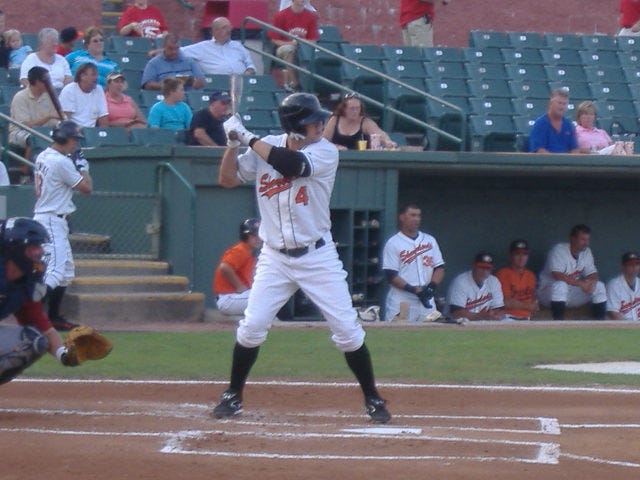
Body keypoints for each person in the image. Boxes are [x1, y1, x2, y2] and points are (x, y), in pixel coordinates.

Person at [213, 92, 391, 423]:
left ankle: (373, 398)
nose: (321, 123)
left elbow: (291, 166)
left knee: (347, 331)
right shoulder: (265, 144)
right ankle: (232, 394)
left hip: (317, 257)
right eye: (313, 119)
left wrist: (247, 137)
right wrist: (232, 144)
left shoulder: (324, 151)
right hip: (275, 258)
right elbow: (226, 179)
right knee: (251, 327)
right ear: (296, 124)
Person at [0, 217, 79, 385]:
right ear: (14, 248)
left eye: (39, 246)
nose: (38, 252)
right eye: (32, 247)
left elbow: (42, 326)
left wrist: (65, 354)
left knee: (35, 340)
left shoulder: (26, 281)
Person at [33, 121, 93, 331]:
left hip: (52, 217)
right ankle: (30, 311)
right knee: (56, 272)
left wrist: (73, 161)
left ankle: (54, 317)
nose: (76, 144)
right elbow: (87, 188)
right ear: (62, 138)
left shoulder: (43, 155)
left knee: (66, 271)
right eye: (74, 139)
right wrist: (83, 167)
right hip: (51, 218)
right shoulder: (61, 162)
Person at [382, 203, 445, 322]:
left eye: (418, 216)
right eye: (412, 215)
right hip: (403, 300)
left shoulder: (429, 240)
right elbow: (391, 275)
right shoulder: (394, 243)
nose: (416, 219)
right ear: (402, 217)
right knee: (399, 334)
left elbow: (439, 267)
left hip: (426, 300)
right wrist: (414, 290)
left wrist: (431, 287)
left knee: (431, 334)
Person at [537, 224, 607, 320]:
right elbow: (557, 275)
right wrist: (581, 284)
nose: (586, 243)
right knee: (560, 285)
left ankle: (600, 324)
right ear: (572, 239)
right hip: (548, 293)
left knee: (599, 286)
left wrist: (592, 282)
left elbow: (592, 273)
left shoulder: (586, 252)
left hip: (571, 293)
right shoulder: (558, 250)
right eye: (582, 239)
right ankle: (558, 323)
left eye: (587, 239)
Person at [9, 67, 61, 162]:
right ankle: (26, 171)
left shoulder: (50, 96)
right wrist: (48, 116)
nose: (50, 83)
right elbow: (24, 125)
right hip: (19, 132)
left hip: (45, 130)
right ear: (37, 82)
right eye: (47, 80)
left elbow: (56, 120)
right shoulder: (20, 97)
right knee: (34, 138)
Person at [213, 218, 261, 315]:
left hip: (236, 298)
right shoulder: (241, 250)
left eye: (259, 236)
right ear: (245, 236)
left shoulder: (248, 253)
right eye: (253, 236)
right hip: (229, 299)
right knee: (267, 298)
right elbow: (225, 267)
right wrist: (239, 286)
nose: (258, 239)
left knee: (269, 298)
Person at [268, 0, 319, 92]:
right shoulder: (281, 15)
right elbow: (275, 40)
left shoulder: (310, 16)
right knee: (289, 50)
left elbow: (313, 40)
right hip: (283, 48)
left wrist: (302, 42)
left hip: (303, 48)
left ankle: (313, 85)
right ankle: (295, 84)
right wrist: (291, 44)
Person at [181, 17, 256, 76]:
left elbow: (250, 65)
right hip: (217, 85)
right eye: (224, 28)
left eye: (229, 27)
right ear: (214, 31)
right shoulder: (203, 47)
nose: (228, 30)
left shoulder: (237, 46)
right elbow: (178, 51)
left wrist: (248, 73)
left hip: (242, 84)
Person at [323, 93, 397, 150]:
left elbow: (379, 133)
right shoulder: (335, 120)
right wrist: (334, 147)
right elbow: (323, 141)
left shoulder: (365, 122)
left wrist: (387, 141)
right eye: (352, 108)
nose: (355, 111)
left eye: (357, 108)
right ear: (344, 109)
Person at [446, 252, 505, 322]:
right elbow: (456, 313)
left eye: (487, 268)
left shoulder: (493, 281)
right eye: (481, 267)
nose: (484, 271)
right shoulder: (460, 282)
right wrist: (481, 316)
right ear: (474, 266)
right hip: (457, 325)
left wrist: (496, 315)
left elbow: (499, 309)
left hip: (484, 325)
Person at [495, 239, 539, 321]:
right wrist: (528, 306)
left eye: (524, 254)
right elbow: (505, 302)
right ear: (510, 256)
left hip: (527, 318)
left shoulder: (530, 275)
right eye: (517, 254)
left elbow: (534, 304)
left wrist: (531, 306)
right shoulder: (503, 274)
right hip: (508, 317)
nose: (521, 258)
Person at [529, 88, 579, 154]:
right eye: (559, 103)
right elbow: (539, 150)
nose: (561, 107)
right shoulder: (540, 124)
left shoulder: (569, 125)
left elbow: (575, 150)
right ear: (551, 103)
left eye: (564, 104)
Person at [59, 62, 109, 128]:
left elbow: (103, 116)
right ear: (82, 76)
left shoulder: (99, 89)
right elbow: (65, 119)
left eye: (97, 75)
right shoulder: (69, 90)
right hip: (74, 132)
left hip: (91, 133)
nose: (96, 78)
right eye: (93, 75)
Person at [606, 252, 640, 320]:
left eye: (637, 264)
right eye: (630, 264)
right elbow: (613, 313)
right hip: (620, 327)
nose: (634, 267)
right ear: (623, 267)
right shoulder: (613, 286)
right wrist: (630, 328)